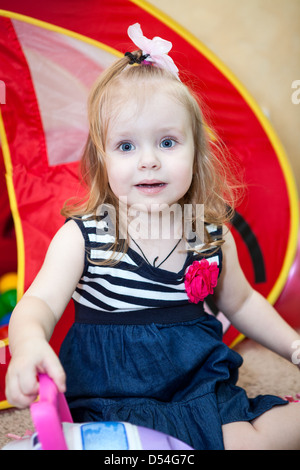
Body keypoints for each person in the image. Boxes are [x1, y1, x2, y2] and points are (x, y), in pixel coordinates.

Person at [5, 23, 300, 450]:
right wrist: (28, 342)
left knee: (257, 441)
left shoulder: (210, 234)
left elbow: (242, 302)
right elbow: (39, 303)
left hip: (195, 389)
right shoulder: (83, 237)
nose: (148, 161)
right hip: (112, 399)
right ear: (101, 159)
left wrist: (293, 346)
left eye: (166, 142)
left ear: (196, 153)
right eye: (126, 147)